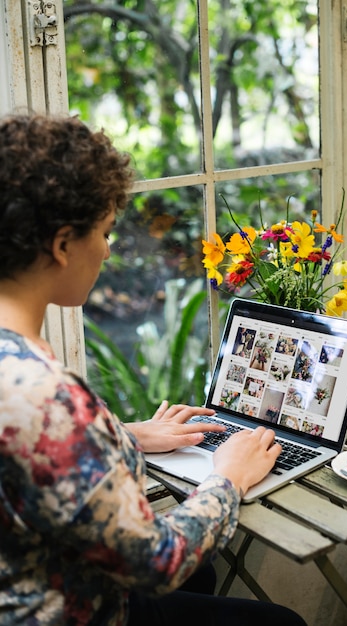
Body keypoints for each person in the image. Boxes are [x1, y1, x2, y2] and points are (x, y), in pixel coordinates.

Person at [0, 112, 307, 626]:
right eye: (104, 231)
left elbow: (27, 450)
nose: (107, 248)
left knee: (204, 577)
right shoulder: (47, 394)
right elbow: (157, 561)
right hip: (67, 610)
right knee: (284, 623)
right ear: (62, 244)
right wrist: (228, 477)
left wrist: (127, 434)